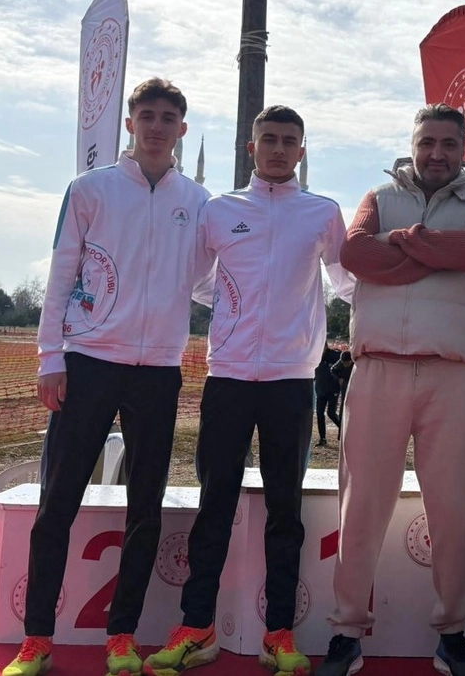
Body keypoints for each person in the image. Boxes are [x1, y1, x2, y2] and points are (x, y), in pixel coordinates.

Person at [2, 78, 211, 676]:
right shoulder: (90, 188)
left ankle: (122, 636)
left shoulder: (198, 201)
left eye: (168, 118)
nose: (156, 126)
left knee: (145, 508)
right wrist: (50, 356)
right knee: (57, 502)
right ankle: (36, 639)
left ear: (182, 130)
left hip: (158, 370)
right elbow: (62, 271)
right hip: (89, 362)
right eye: (147, 115)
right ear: (130, 123)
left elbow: (205, 281)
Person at [143, 106, 352, 676]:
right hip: (229, 376)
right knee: (214, 505)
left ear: (302, 150)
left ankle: (279, 633)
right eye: (269, 139)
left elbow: (348, 283)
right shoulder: (220, 210)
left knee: (286, 511)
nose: (279, 149)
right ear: (251, 146)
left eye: (289, 141)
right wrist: (237, 307)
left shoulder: (322, 212)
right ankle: (197, 627)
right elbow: (197, 281)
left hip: (291, 380)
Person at [315, 104, 465, 676]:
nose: (436, 154)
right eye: (427, 142)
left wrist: (403, 243)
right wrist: (437, 252)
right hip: (378, 370)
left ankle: (453, 633)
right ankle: (346, 631)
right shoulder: (377, 197)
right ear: (413, 143)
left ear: (463, 148)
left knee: (452, 511)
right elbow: (355, 254)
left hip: (453, 376)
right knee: (362, 506)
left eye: (448, 143)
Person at [315, 345, 343, 446]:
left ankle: (343, 430)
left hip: (333, 389)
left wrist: (341, 379)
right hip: (320, 389)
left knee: (331, 413)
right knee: (319, 413)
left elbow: (344, 366)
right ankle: (322, 438)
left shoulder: (335, 355)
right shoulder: (315, 356)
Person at [329, 350, 353, 426]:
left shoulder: (356, 363)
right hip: (345, 383)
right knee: (344, 403)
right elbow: (333, 369)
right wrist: (339, 377)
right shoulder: (340, 363)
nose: (345, 365)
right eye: (343, 363)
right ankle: (341, 424)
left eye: (347, 363)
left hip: (354, 384)